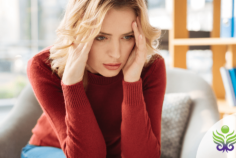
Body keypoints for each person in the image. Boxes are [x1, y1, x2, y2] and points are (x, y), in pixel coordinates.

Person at [20, 0, 166, 157]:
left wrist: (132, 82)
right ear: (78, 32)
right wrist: (72, 84)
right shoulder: (44, 65)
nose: (116, 54)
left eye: (127, 37)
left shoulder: (151, 67)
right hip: (52, 149)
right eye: (101, 37)